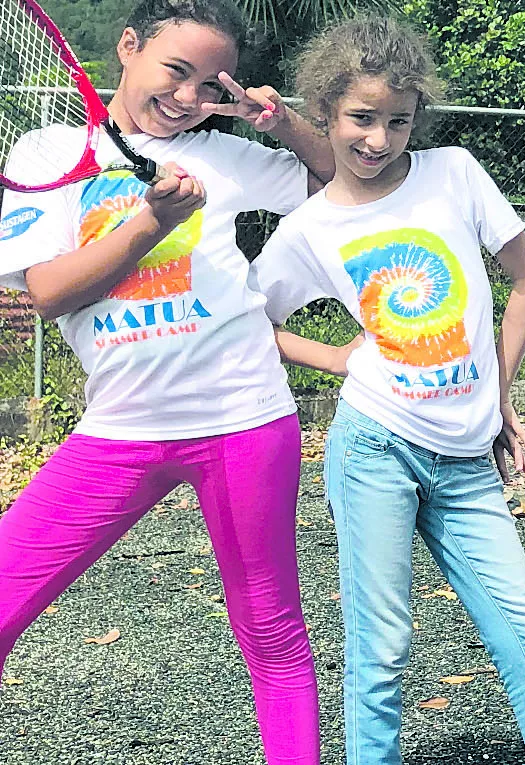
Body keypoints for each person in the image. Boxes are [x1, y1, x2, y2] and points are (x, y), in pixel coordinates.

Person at [0, 1, 333, 761]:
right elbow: (50, 291)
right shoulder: (50, 151)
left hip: (246, 418)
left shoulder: (226, 154)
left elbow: (341, 184)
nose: (188, 98)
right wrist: (149, 222)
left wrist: (278, 122)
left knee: (273, 635)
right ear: (128, 46)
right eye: (175, 71)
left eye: (211, 86)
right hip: (119, 432)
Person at [246, 16, 525, 765]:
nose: (379, 140)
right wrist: (334, 355)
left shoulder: (453, 171)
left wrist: (499, 392)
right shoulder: (310, 228)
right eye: (361, 119)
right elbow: (247, 323)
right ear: (324, 111)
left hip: (465, 457)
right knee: (381, 648)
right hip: (375, 448)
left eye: (398, 120)